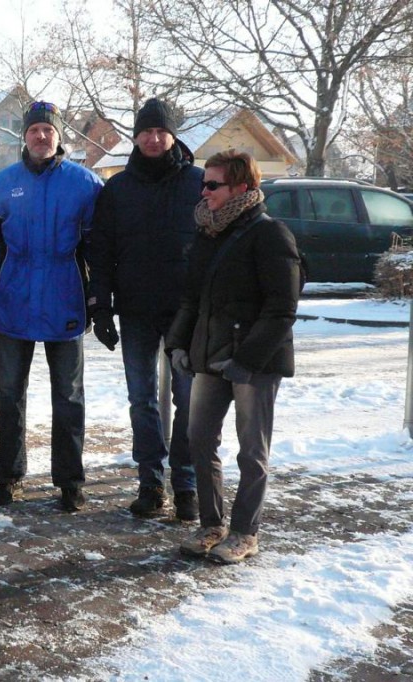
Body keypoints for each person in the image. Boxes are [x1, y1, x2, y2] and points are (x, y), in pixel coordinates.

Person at [166, 149, 301, 564]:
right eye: (203, 183)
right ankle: (211, 524)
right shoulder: (208, 233)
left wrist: (247, 361)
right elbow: (191, 299)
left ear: (242, 187)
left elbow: (282, 308)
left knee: (251, 450)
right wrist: (178, 344)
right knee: (198, 439)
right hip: (210, 355)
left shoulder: (270, 234)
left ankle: (245, 532)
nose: (203, 191)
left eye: (213, 184)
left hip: (254, 362)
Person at [0, 101, 103, 511]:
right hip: (13, 302)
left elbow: (97, 241)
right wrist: (10, 269)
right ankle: (9, 476)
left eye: (48, 130)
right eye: (34, 130)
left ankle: (69, 482)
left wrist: (89, 286)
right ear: (25, 135)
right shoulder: (2, 183)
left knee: (68, 396)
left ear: (59, 135)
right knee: (10, 392)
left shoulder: (85, 184)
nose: (41, 136)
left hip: (65, 300)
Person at [87, 98, 201, 521]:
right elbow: (101, 252)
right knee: (142, 399)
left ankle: (186, 484)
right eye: (146, 132)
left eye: (161, 131)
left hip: (186, 311)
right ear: (136, 137)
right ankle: (150, 482)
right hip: (135, 309)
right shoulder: (117, 189)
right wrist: (100, 307)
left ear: (173, 136)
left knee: (188, 400)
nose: (154, 139)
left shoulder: (198, 183)